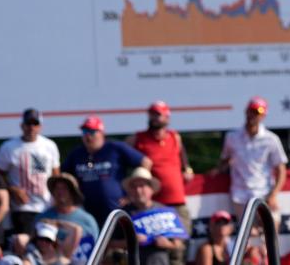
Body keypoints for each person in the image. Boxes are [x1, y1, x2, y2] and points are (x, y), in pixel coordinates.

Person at [61, 116, 150, 225]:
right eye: (85, 131)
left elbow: (146, 162)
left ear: (101, 133)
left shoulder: (115, 148)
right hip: (87, 213)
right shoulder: (76, 154)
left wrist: (132, 194)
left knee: (119, 241)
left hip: (116, 211)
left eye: (92, 131)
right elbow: (64, 177)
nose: (88, 135)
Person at [127, 101, 194, 245]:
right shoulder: (137, 139)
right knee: (155, 247)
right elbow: (123, 164)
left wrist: (187, 170)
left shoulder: (175, 137)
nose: (154, 118)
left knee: (178, 248)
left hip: (177, 202)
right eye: (152, 114)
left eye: (158, 114)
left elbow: (184, 160)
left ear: (167, 118)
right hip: (154, 205)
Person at [217, 97, 287, 220]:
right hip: (240, 195)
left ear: (263, 116)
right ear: (246, 111)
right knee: (246, 236)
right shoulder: (232, 137)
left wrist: (273, 195)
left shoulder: (271, 139)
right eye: (251, 111)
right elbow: (224, 160)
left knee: (271, 230)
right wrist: (219, 169)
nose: (253, 115)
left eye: (258, 112)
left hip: (264, 192)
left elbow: (281, 169)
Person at [0, 110, 60, 237]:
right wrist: (12, 189)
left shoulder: (49, 146)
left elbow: (56, 176)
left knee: (48, 244)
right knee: (25, 244)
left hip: (47, 206)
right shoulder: (9, 147)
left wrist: (57, 202)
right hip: (23, 208)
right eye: (28, 124)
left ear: (40, 126)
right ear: (22, 125)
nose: (31, 128)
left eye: (35, 124)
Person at [122, 168, 187, 265]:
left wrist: (168, 244)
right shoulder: (123, 214)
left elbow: (180, 244)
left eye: (142, 186)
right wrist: (132, 241)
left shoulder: (165, 212)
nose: (138, 190)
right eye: (134, 187)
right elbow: (110, 243)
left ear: (151, 189)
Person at [36, 174, 98, 263]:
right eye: (56, 188)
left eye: (64, 188)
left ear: (72, 192)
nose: (60, 192)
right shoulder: (42, 217)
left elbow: (96, 249)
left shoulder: (88, 220)